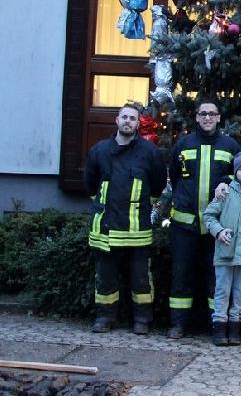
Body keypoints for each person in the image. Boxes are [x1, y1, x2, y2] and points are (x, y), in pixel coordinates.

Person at [158, 96, 241, 339]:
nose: (207, 117)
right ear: (196, 117)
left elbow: (240, 178)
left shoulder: (230, 146)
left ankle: (216, 327)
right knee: (181, 275)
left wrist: (226, 183)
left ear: (218, 118)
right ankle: (178, 325)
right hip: (185, 226)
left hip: (217, 229)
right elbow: (174, 176)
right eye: (203, 113)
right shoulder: (183, 145)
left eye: (212, 114)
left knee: (217, 278)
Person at [84, 103, 164, 335]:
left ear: (138, 124)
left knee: (141, 279)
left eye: (133, 118)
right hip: (106, 229)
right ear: (117, 121)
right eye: (124, 117)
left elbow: (157, 186)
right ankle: (105, 317)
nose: (128, 121)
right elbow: (90, 184)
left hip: (137, 230)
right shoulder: (99, 151)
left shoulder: (149, 153)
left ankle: (142, 319)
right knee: (105, 278)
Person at [201, 152, 241, 346]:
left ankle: (235, 329)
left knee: (240, 292)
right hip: (225, 252)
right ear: (235, 172)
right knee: (222, 291)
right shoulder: (226, 192)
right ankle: (219, 329)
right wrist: (219, 232)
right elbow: (209, 216)